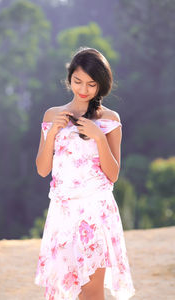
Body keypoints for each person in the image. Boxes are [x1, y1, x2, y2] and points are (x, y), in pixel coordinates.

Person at [34, 47, 135, 300]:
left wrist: (99, 137)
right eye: (78, 81)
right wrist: (52, 134)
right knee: (62, 290)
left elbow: (113, 175)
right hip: (62, 214)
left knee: (91, 292)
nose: (83, 89)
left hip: (95, 213)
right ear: (69, 79)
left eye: (91, 84)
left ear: (101, 86)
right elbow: (42, 169)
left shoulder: (110, 119)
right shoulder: (51, 115)